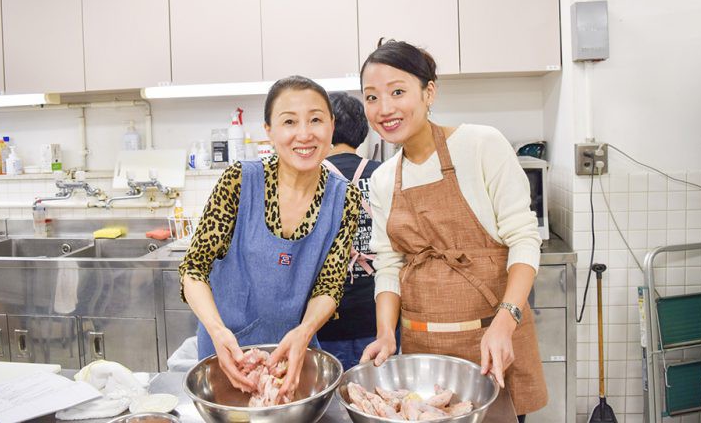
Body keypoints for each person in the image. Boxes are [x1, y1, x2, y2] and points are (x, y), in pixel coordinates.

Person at [358, 41, 547, 421]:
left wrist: (505, 322)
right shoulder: (382, 179)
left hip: (491, 344)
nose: (385, 108)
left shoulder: (481, 145)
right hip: (423, 354)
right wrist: (384, 334)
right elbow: (389, 266)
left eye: (398, 92)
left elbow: (524, 239)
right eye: (372, 97)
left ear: (429, 92)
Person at [179, 76, 361, 400]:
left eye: (316, 119)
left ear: (332, 125)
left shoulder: (345, 198)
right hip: (227, 350)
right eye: (289, 121)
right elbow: (194, 269)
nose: (304, 134)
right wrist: (218, 332)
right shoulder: (240, 181)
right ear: (269, 130)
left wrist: (304, 332)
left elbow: (329, 285)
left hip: (295, 353)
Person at [316, 92, 382, 371]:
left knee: (330, 401)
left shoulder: (311, 178)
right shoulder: (385, 173)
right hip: (379, 313)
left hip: (326, 314)